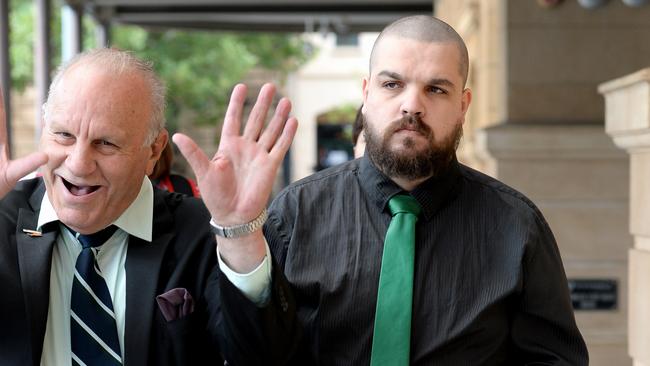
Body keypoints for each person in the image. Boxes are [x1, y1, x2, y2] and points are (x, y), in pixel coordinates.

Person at [207, 15, 589, 365]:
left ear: (463, 104)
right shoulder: (295, 213)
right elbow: (252, 357)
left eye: (436, 89)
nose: (412, 105)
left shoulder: (517, 225)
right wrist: (238, 234)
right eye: (392, 84)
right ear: (367, 94)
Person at [0, 48, 296, 365]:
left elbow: (263, 357)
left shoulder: (204, 233)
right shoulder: (4, 217)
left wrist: (239, 235)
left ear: (154, 151)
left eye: (105, 143)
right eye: (63, 135)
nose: (79, 164)